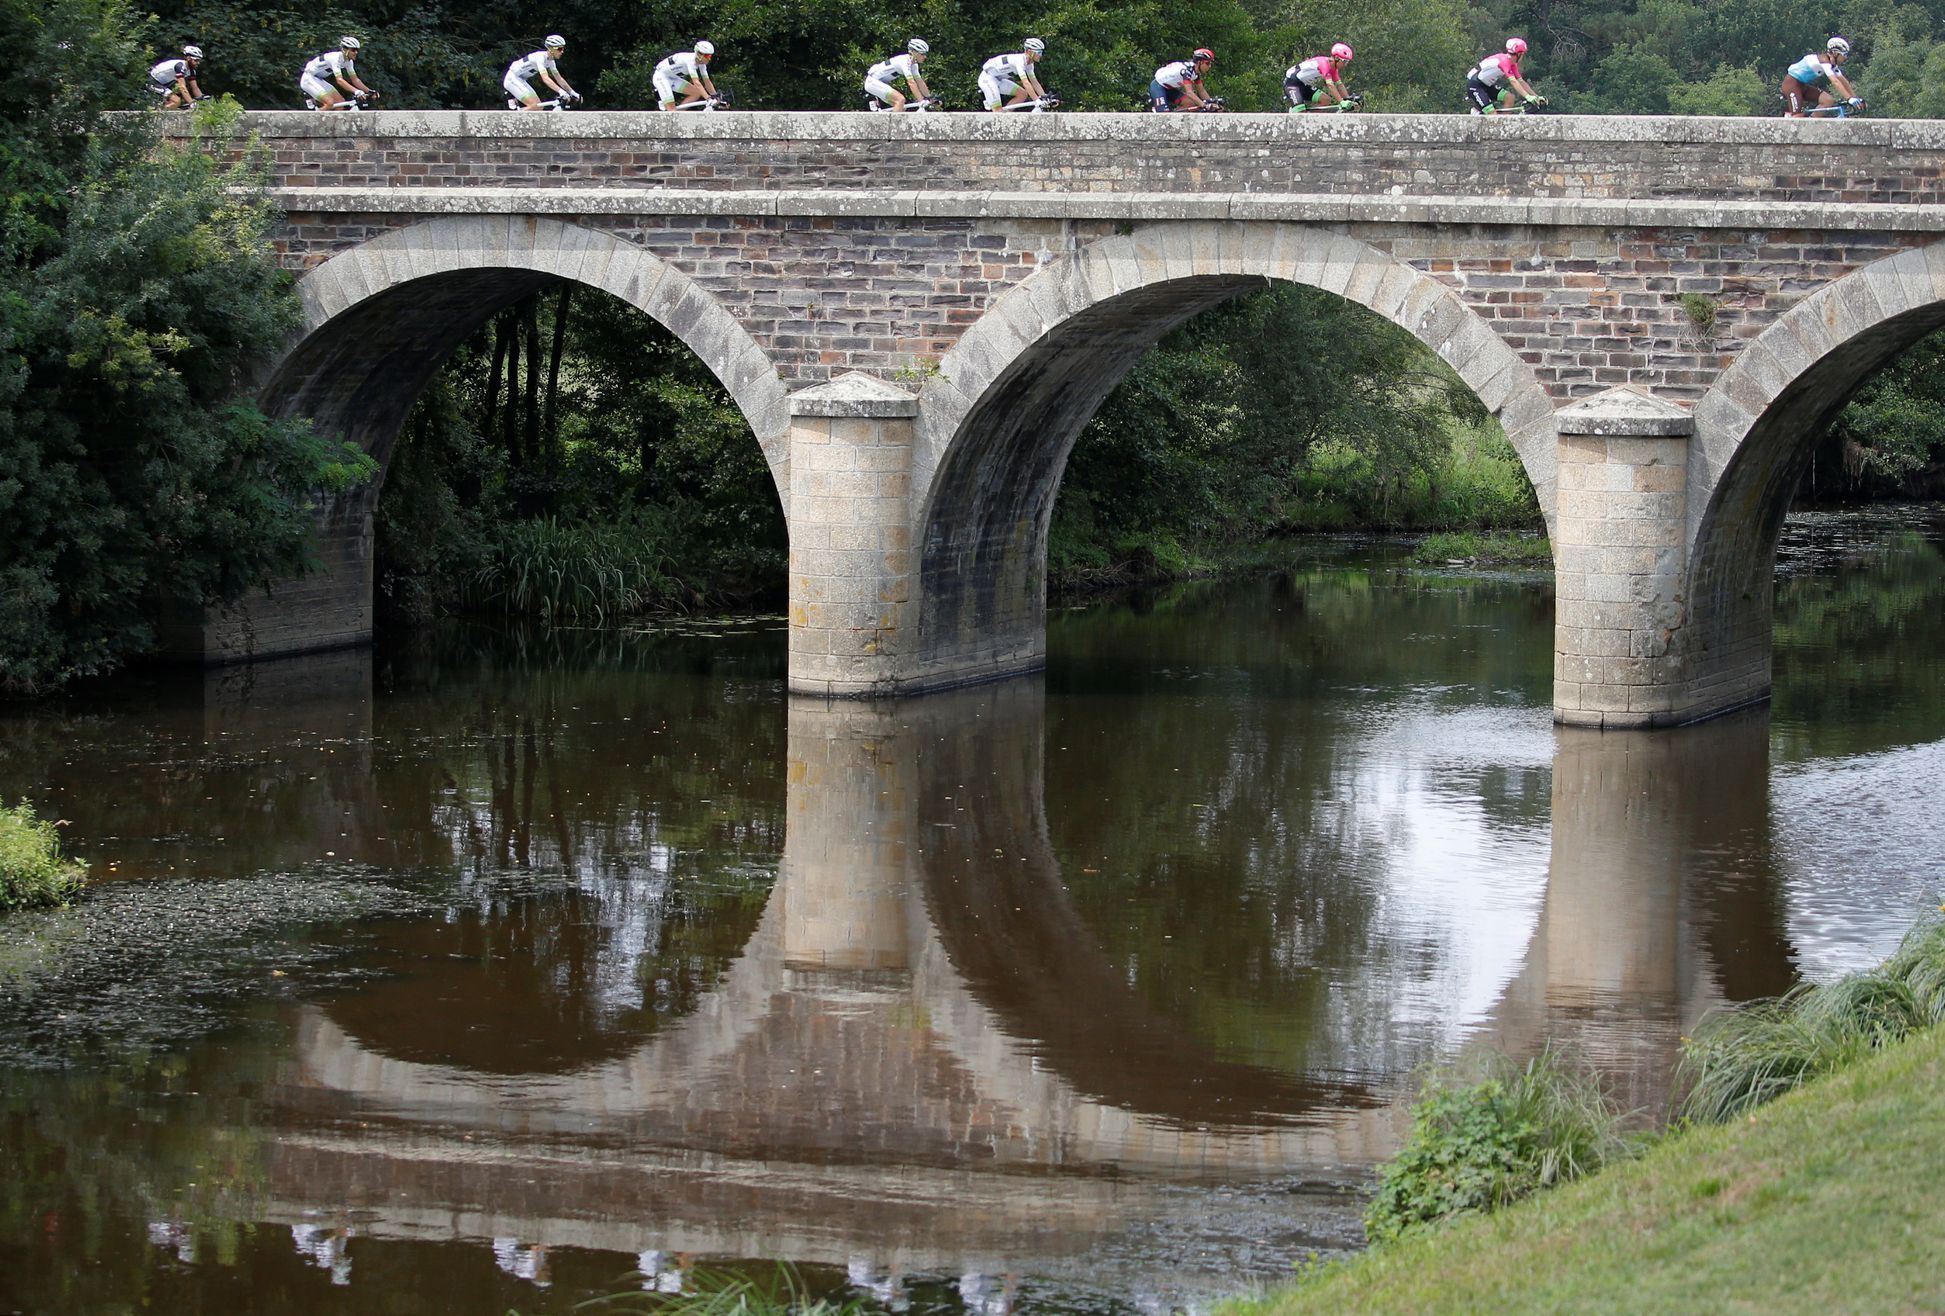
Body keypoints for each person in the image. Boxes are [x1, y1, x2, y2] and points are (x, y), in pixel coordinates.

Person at [1782, 37, 1860, 117]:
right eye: (1844, 54)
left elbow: (1843, 81)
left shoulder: (1832, 65)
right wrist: (1849, 99)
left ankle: (1811, 123)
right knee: (1797, 117)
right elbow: (1835, 82)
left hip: (1802, 85)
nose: (1845, 58)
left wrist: (1855, 98)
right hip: (1791, 84)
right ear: (1835, 53)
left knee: (1828, 100)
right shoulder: (1824, 62)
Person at [1466, 37, 1543, 114]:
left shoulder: (1512, 63)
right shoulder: (1504, 62)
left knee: (1510, 98)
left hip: (1487, 85)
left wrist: (1536, 96)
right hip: (1475, 85)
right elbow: (1513, 81)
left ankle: (1504, 122)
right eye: (1523, 54)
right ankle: (1479, 113)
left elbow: (1521, 81)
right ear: (1518, 54)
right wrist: (1527, 97)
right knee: (1492, 115)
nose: (1523, 57)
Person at [505, 35, 578, 110]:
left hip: (521, 79)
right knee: (534, 106)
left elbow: (559, 79)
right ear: (550, 49)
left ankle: (516, 116)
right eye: (559, 49)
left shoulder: (551, 61)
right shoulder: (540, 57)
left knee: (539, 107)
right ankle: (513, 120)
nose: (562, 51)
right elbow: (545, 79)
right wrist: (561, 92)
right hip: (512, 78)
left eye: (563, 48)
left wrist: (573, 93)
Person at [302, 36, 375, 110]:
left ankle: (332, 121)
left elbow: (355, 80)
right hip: (308, 78)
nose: (356, 52)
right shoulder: (335, 58)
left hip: (318, 79)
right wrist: (356, 91)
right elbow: (339, 80)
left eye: (357, 50)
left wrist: (369, 91)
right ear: (344, 49)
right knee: (330, 103)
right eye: (353, 50)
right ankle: (313, 119)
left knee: (340, 101)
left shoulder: (349, 61)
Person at [979, 38, 1047, 112]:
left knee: (1022, 94)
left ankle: (1006, 115)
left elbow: (1035, 82)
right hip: (987, 79)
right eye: (1039, 52)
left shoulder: (1029, 64)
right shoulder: (1019, 61)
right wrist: (1037, 100)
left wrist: (1045, 98)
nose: (1040, 55)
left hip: (998, 79)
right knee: (998, 111)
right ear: (1029, 52)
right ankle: (999, 114)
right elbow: (1026, 83)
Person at [865, 38, 933, 110]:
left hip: (880, 83)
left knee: (901, 108)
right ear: (914, 52)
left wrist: (930, 98)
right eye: (922, 54)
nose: (925, 57)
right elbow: (911, 83)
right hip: (872, 82)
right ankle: (893, 121)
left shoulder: (914, 65)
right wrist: (921, 100)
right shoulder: (904, 61)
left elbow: (920, 82)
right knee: (900, 100)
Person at [1284, 43, 1353, 109]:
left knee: (1325, 100)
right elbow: (1330, 85)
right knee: (1300, 111)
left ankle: (1310, 117)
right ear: (1337, 58)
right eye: (1345, 61)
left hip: (1304, 84)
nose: (1346, 64)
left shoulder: (1334, 69)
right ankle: (1297, 112)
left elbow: (1340, 85)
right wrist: (1341, 101)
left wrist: (1348, 99)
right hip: (1292, 83)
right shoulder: (1324, 64)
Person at [654, 41, 718, 110]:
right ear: (699, 54)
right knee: (672, 110)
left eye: (710, 56)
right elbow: (696, 83)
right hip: (661, 77)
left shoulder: (702, 63)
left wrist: (715, 96)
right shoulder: (690, 61)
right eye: (707, 56)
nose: (709, 58)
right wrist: (708, 98)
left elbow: (707, 81)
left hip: (673, 78)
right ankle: (672, 111)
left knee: (696, 93)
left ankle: (679, 114)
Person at [1150, 49, 1217, 113]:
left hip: (1170, 88)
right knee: (1164, 115)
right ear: (1200, 62)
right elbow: (1189, 93)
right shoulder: (1186, 71)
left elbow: (1201, 91)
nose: (1210, 66)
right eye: (1208, 63)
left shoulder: (1195, 72)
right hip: (1158, 86)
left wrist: (1211, 103)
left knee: (1190, 103)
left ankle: (1173, 118)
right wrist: (1204, 105)